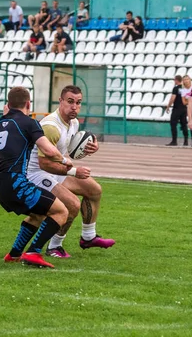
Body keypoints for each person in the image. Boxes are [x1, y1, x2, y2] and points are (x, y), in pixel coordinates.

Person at [25, 85, 115, 259]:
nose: (74, 107)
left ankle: (88, 237)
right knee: (72, 204)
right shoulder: (51, 126)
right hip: (36, 173)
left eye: (79, 103)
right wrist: (74, 172)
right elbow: (44, 164)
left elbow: (71, 152)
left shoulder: (73, 123)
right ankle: (54, 246)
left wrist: (90, 148)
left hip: (55, 170)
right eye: (70, 101)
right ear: (60, 101)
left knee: (94, 190)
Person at [0, 87, 73, 268]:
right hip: (17, 183)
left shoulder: (1, 123)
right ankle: (33, 252)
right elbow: (48, 150)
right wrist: (65, 161)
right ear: (28, 104)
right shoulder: (29, 123)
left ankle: (14, 254)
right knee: (61, 211)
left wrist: (4, 116)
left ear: (8, 105)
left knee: (38, 214)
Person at [165, 75, 189, 146]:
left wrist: (168, 106)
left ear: (176, 80)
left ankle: (174, 140)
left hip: (177, 108)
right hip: (184, 108)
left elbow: (173, 98)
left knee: (173, 124)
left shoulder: (175, 88)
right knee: (184, 124)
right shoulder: (184, 88)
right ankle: (186, 141)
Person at [180, 75, 192, 147]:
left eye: (187, 79)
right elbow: (183, 102)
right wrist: (191, 101)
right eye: (184, 79)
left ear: (190, 80)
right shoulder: (183, 90)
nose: (186, 81)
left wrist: (189, 100)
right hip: (190, 109)